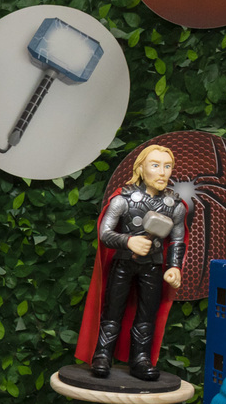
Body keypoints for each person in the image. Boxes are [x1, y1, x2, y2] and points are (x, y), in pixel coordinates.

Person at [77, 144, 186, 381]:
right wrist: (129, 241)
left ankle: (140, 359)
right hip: (124, 263)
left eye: (167, 166)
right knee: (112, 310)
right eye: (155, 165)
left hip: (153, 265)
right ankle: (102, 355)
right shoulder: (123, 200)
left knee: (148, 314)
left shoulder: (175, 206)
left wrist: (174, 266)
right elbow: (105, 233)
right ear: (141, 168)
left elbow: (177, 239)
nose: (162, 172)